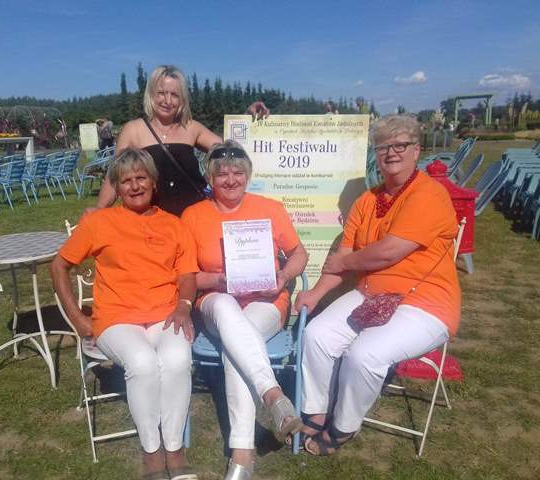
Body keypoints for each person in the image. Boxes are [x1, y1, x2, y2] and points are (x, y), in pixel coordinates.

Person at [294, 114, 460, 456]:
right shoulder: (367, 201)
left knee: (364, 354)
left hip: (425, 303)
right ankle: (316, 411)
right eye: (383, 147)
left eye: (400, 145)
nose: (391, 152)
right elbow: (341, 257)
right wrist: (316, 293)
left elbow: (388, 251)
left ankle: (343, 427)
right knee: (316, 334)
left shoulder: (429, 194)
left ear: (417, 150)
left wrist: (345, 263)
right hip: (370, 294)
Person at [51, 149, 199, 480]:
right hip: (116, 318)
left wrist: (184, 306)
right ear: (116, 188)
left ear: (154, 182)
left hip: (165, 314)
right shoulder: (98, 222)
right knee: (143, 363)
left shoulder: (174, 225)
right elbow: (59, 266)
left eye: (141, 178)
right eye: (125, 180)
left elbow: (187, 275)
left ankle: (174, 447)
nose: (134, 186)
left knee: (177, 360)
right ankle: (152, 452)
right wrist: (77, 318)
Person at [181, 141, 308, 479]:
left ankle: (242, 452)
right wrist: (220, 280)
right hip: (216, 300)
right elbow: (188, 275)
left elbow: (299, 254)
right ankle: (273, 395)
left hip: (266, 301)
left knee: (237, 345)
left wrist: (283, 277)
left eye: (238, 172)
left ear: (247, 175)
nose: (231, 180)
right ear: (210, 178)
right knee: (226, 308)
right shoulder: (193, 216)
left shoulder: (270, 208)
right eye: (222, 174)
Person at [94, 64, 269, 217]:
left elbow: (230, 150)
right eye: (161, 93)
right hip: (155, 220)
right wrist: (99, 210)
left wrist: (246, 117)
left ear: (182, 100)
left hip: (195, 217)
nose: (167, 101)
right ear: (151, 95)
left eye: (174, 95)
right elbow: (114, 176)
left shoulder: (192, 127)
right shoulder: (133, 130)